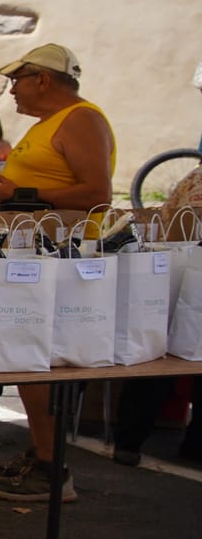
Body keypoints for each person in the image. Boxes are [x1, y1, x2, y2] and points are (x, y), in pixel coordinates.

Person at [0, 43, 114, 499]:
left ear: (44, 80)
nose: (11, 91)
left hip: (59, 257)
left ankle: (52, 469)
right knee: (26, 356)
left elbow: (98, 193)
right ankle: (42, 454)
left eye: (18, 81)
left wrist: (24, 193)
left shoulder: (82, 119)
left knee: (37, 360)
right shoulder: (49, 125)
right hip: (35, 254)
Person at [112, 60, 202, 467]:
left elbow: (171, 220)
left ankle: (130, 439)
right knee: (172, 348)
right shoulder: (194, 178)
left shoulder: (194, 177)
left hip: (175, 268)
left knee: (162, 348)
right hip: (185, 266)